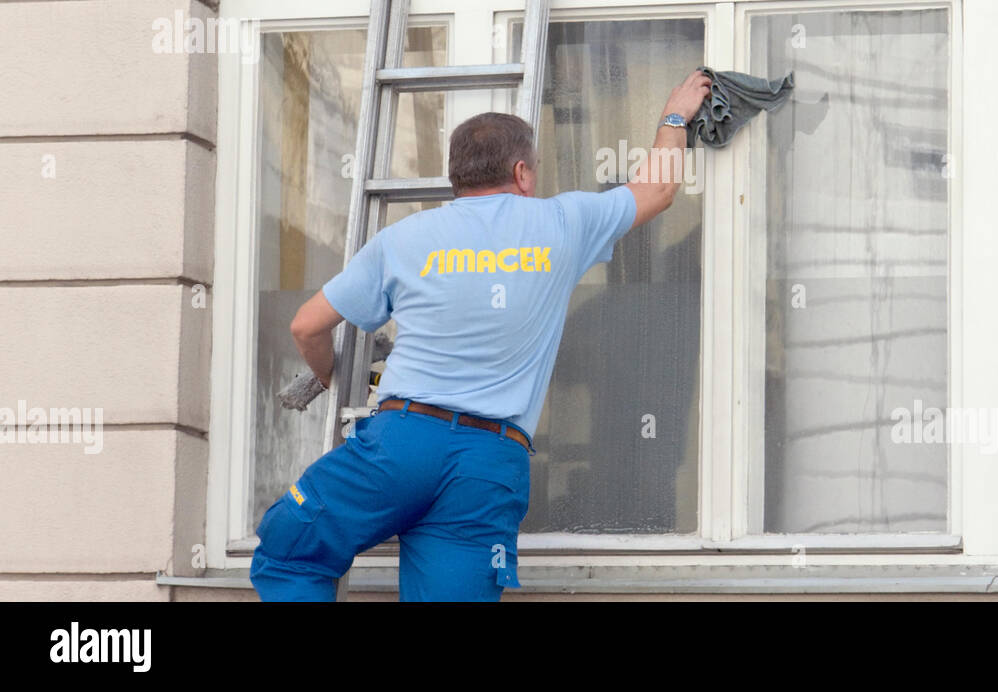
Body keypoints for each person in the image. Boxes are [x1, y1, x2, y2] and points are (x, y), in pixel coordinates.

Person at [249, 69, 714, 601]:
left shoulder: (405, 239)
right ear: (521, 171)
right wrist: (676, 114)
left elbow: (306, 325)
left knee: (288, 552)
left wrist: (333, 379)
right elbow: (658, 190)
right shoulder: (563, 223)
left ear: (456, 177)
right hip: (488, 464)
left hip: (403, 444)